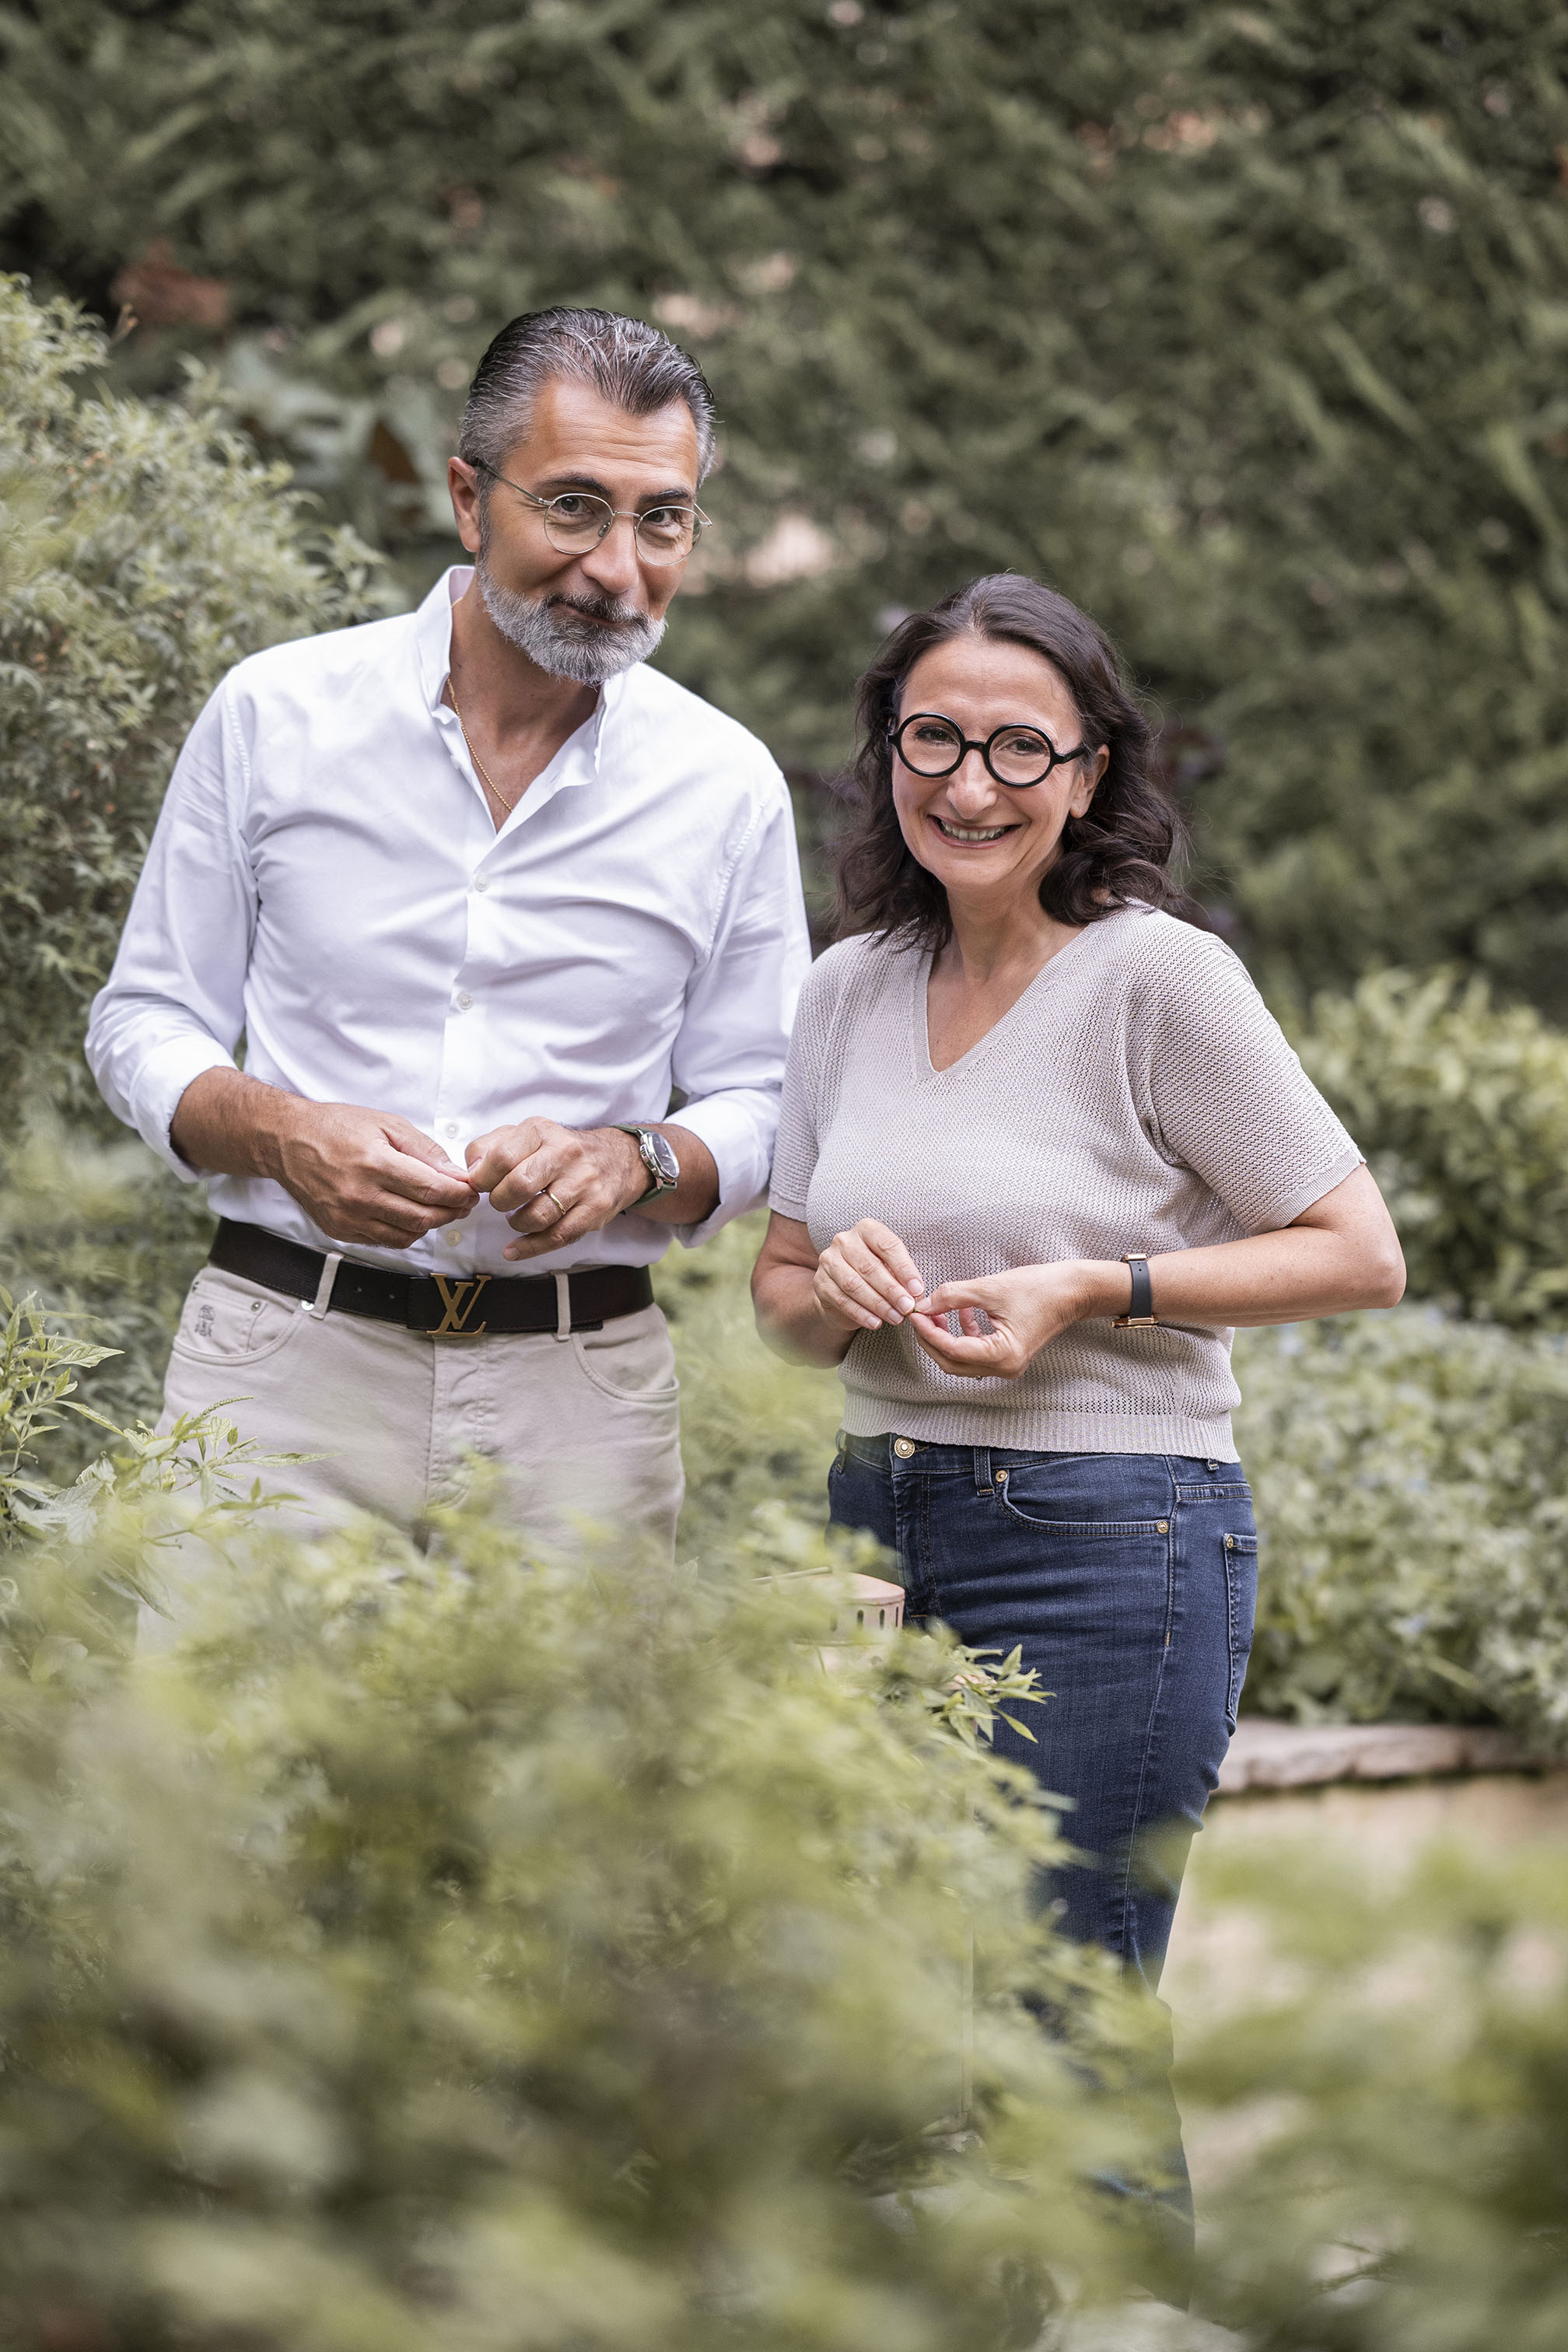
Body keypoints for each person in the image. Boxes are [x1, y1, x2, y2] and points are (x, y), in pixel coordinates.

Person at [751, 572, 1405, 2247]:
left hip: (1114, 1541)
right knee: (873, 2022)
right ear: (886, 754)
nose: (968, 784)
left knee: (1063, 2023)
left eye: (1018, 748)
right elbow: (780, 1297)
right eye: (933, 737)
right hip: (872, 1532)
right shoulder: (845, 991)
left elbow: (1356, 1251)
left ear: (1091, 772)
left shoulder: (1157, 982)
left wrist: (1091, 1288)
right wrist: (843, 1291)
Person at [88, 306, 811, 1559]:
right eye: (575, 506)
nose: (618, 567)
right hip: (281, 1370)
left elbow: (770, 1095)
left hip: (583, 1401)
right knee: (233, 1758)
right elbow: (142, 1020)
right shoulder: (276, 713)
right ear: (469, 499)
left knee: (565, 1764)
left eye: (663, 517)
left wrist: (633, 1160)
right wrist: (289, 1131)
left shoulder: (726, 782)